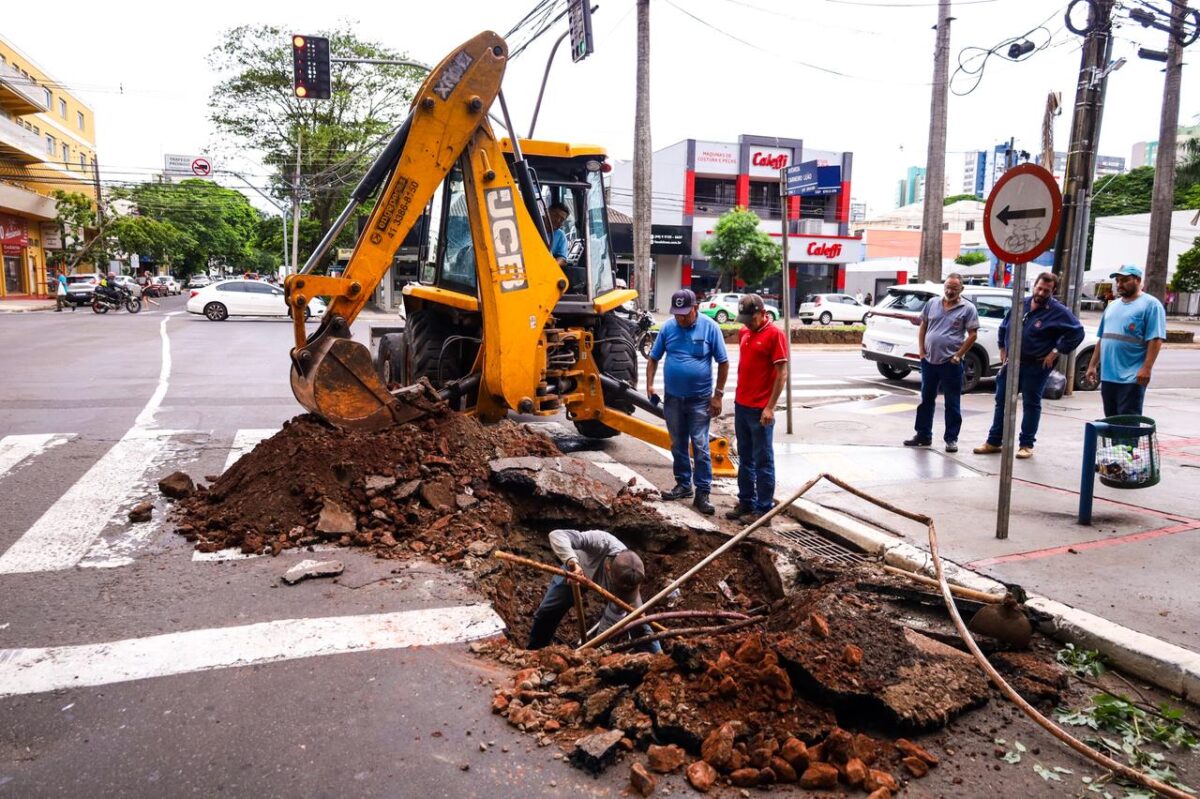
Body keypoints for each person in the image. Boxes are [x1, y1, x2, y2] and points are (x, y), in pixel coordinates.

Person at [974, 272, 1084, 459]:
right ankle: (994, 441)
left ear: (1053, 291)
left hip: (1036, 366)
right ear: (1034, 286)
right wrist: (1002, 347)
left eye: (1046, 290)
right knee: (1002, 402)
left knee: (1031, 404)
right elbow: (1004, 326)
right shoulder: (1021, 304)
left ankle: (1026, 445)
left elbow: (1077, 332)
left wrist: (1056, 351)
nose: (1041, 293)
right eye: (1039, 288)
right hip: (1011, 364)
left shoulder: (1058, 311)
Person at [646, 288, 729, 515]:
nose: (680, 318)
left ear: (696, 308)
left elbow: (723, 362)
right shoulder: (668, 328)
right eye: (677, 314)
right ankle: (683, 484)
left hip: (700, 400)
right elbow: (653, 358)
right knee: (677, 444)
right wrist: (650, 385)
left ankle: (703, 492)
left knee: (700, 446)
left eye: (684, 314)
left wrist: (718, 395)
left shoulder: (710, 328)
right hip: (673, 399)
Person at [527, 528, 661, 653]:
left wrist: (595, 650)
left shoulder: (627, 588)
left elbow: (611, 621)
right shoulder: (601, 542)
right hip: (575, 572)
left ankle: (658, 659)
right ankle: (534, 652)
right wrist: (573, 563)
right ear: (608, 568)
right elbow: (557, 535)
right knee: (548, 611)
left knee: (639, 622)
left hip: (611, 585)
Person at [727, 294, 788, 524]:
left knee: (763, 461)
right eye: (744, 320)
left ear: (762, 313)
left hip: (760, 410)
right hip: (741, 405)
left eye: (751, 319)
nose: (747, 324)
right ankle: (746, 502)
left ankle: (763, 511)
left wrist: (770, 407)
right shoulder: (745, 332)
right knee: (744, 458)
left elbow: (782, 374)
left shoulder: (775, 335)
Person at [904, 273, 979, 453]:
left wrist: (958, 355)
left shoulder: (968, 308)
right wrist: (921, 351)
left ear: (961, 289)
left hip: (950, 363)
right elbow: (923, 326)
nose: (950, 291)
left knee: (952, 403)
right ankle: (923, 435)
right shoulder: (932, 303)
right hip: (929, 361)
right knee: (926, 400)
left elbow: (973, 335)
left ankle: (951, 439)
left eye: (954, 288)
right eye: (947, 287)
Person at [1085, 265, 1166, 417]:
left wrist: (1146, 368)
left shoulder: (1151, 305)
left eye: (1124, 280)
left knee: (1127, 423)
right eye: (1117, 280)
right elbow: (1103, 338)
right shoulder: (1112, 306)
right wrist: (1092, 365)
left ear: (1138, 280)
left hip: (1131, 377)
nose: (1119, 284)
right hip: (1108, 376)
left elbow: (1155, 339)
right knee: (1111, 421)